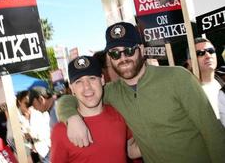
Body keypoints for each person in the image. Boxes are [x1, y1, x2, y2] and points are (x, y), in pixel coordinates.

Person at [57, 22, 225, 163]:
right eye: (115, 53)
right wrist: (71, 117)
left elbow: (213, 132)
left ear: (142, 49)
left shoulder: (178, 78)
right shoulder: (111, 92)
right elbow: (72, 98)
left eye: (129, 50)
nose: (123, 58)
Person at [51, 55, 141, 163]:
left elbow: (130, 149)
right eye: (79, 81)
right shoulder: (60, 131)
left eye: (92, 78)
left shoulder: (119, 113)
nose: (87, 87)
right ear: (72, 88)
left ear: (102, 80)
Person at [187, 37, 225, 127]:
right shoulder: (187, 91)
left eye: (211, 51)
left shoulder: (223, 79)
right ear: (190, 62)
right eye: (200, 53)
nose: (208, 56)